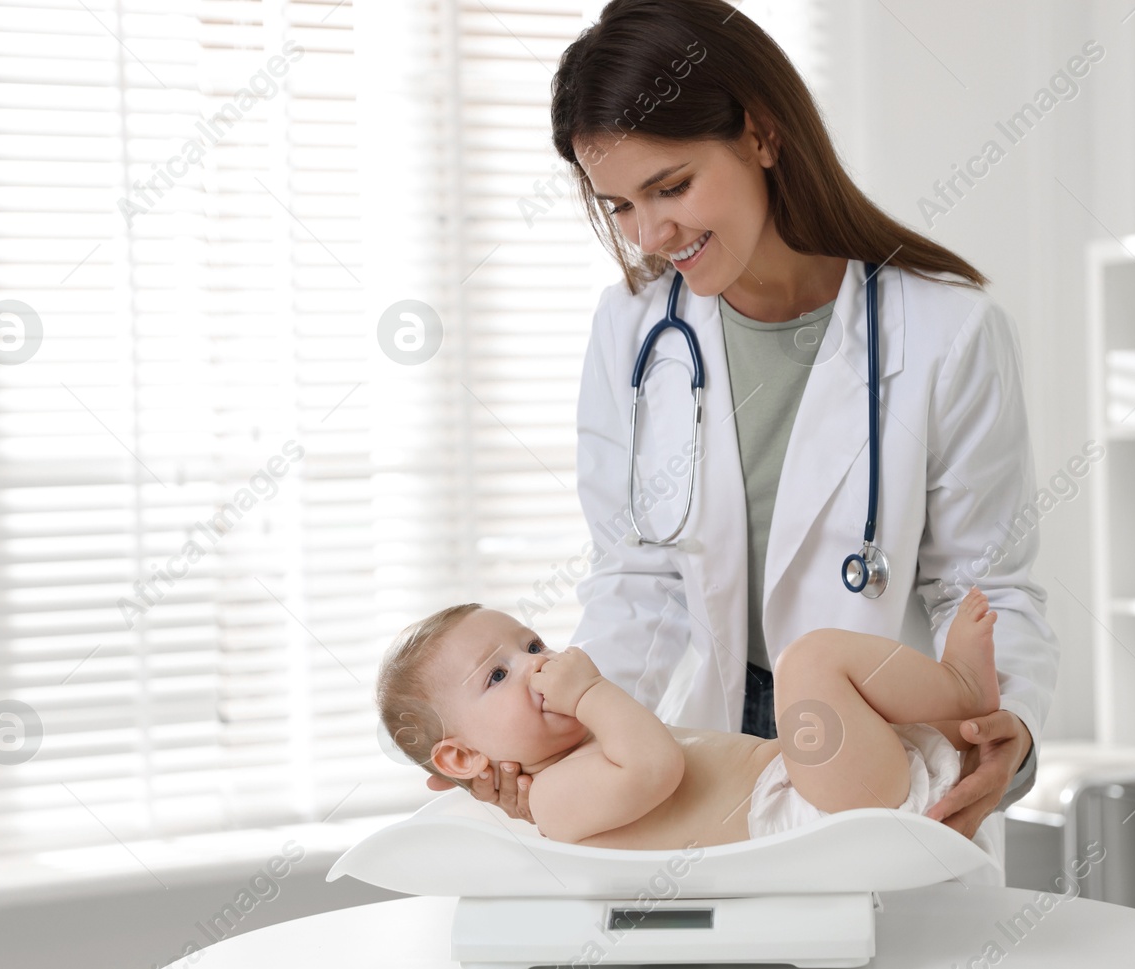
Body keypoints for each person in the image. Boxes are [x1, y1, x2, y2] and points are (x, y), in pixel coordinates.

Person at [424, 0, 1058, 872]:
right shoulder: (633, 331)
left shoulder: (948, 332)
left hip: (878, 744)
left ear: (761, 134)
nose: (650, 235)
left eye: (672, 187)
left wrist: (1008, 737)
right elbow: (639, 577)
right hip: (710, 754)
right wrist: (561, 739)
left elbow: (990, 590)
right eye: (621, 206)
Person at [388, 591, 1002, 850]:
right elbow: (657, 765)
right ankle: (961, 689)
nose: (537, 664)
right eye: (497, 676)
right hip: (815, 817)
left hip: (816, 789)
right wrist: (593, 691)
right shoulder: (551, 797)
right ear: (462, 758)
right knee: (810, 662)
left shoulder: (586, 745)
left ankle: (956, 703)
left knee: (816, 673)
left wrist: (592, 702)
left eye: (531, 645)